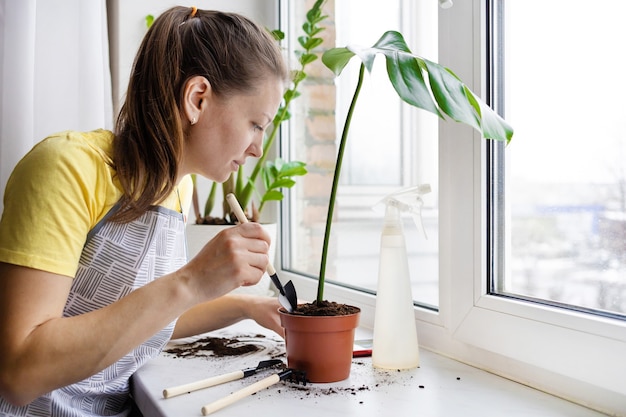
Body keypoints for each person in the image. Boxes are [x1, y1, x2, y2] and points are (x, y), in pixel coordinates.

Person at [0, 6, 287, 416]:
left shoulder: (178, 189)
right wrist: (190, 280)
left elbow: (142, 320)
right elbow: (18, 373)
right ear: (197, 98)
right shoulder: (65, 168)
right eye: (256, 124)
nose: (258, 147)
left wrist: (245, 306)